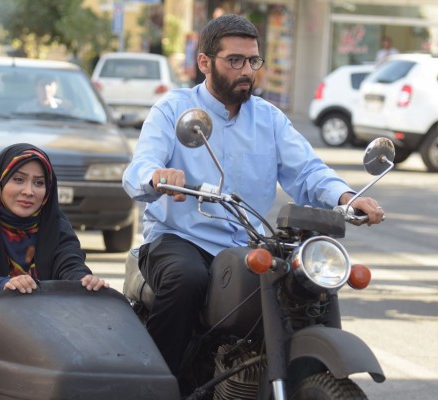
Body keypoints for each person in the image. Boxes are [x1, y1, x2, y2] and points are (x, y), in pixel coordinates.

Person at [122, 14, 385, 379]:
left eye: (253, 60)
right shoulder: (173, 109)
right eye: (235, 60)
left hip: (247, 244)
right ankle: (159, 384)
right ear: (204, 62)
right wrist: (157, 176)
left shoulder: (269, 119)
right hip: (180, 238)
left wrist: (346, 197)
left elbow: (308, 170)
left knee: (302, 288)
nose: (247, 70)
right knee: (187, 279)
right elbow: (139, 168)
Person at [0, 143, 109, 352]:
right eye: (18, 179)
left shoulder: (57, 227)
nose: (29, 191)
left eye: (39, 183)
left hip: (55, 327)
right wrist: (3, 285)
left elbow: (69, 262)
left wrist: (84, 281)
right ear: (0, 181)